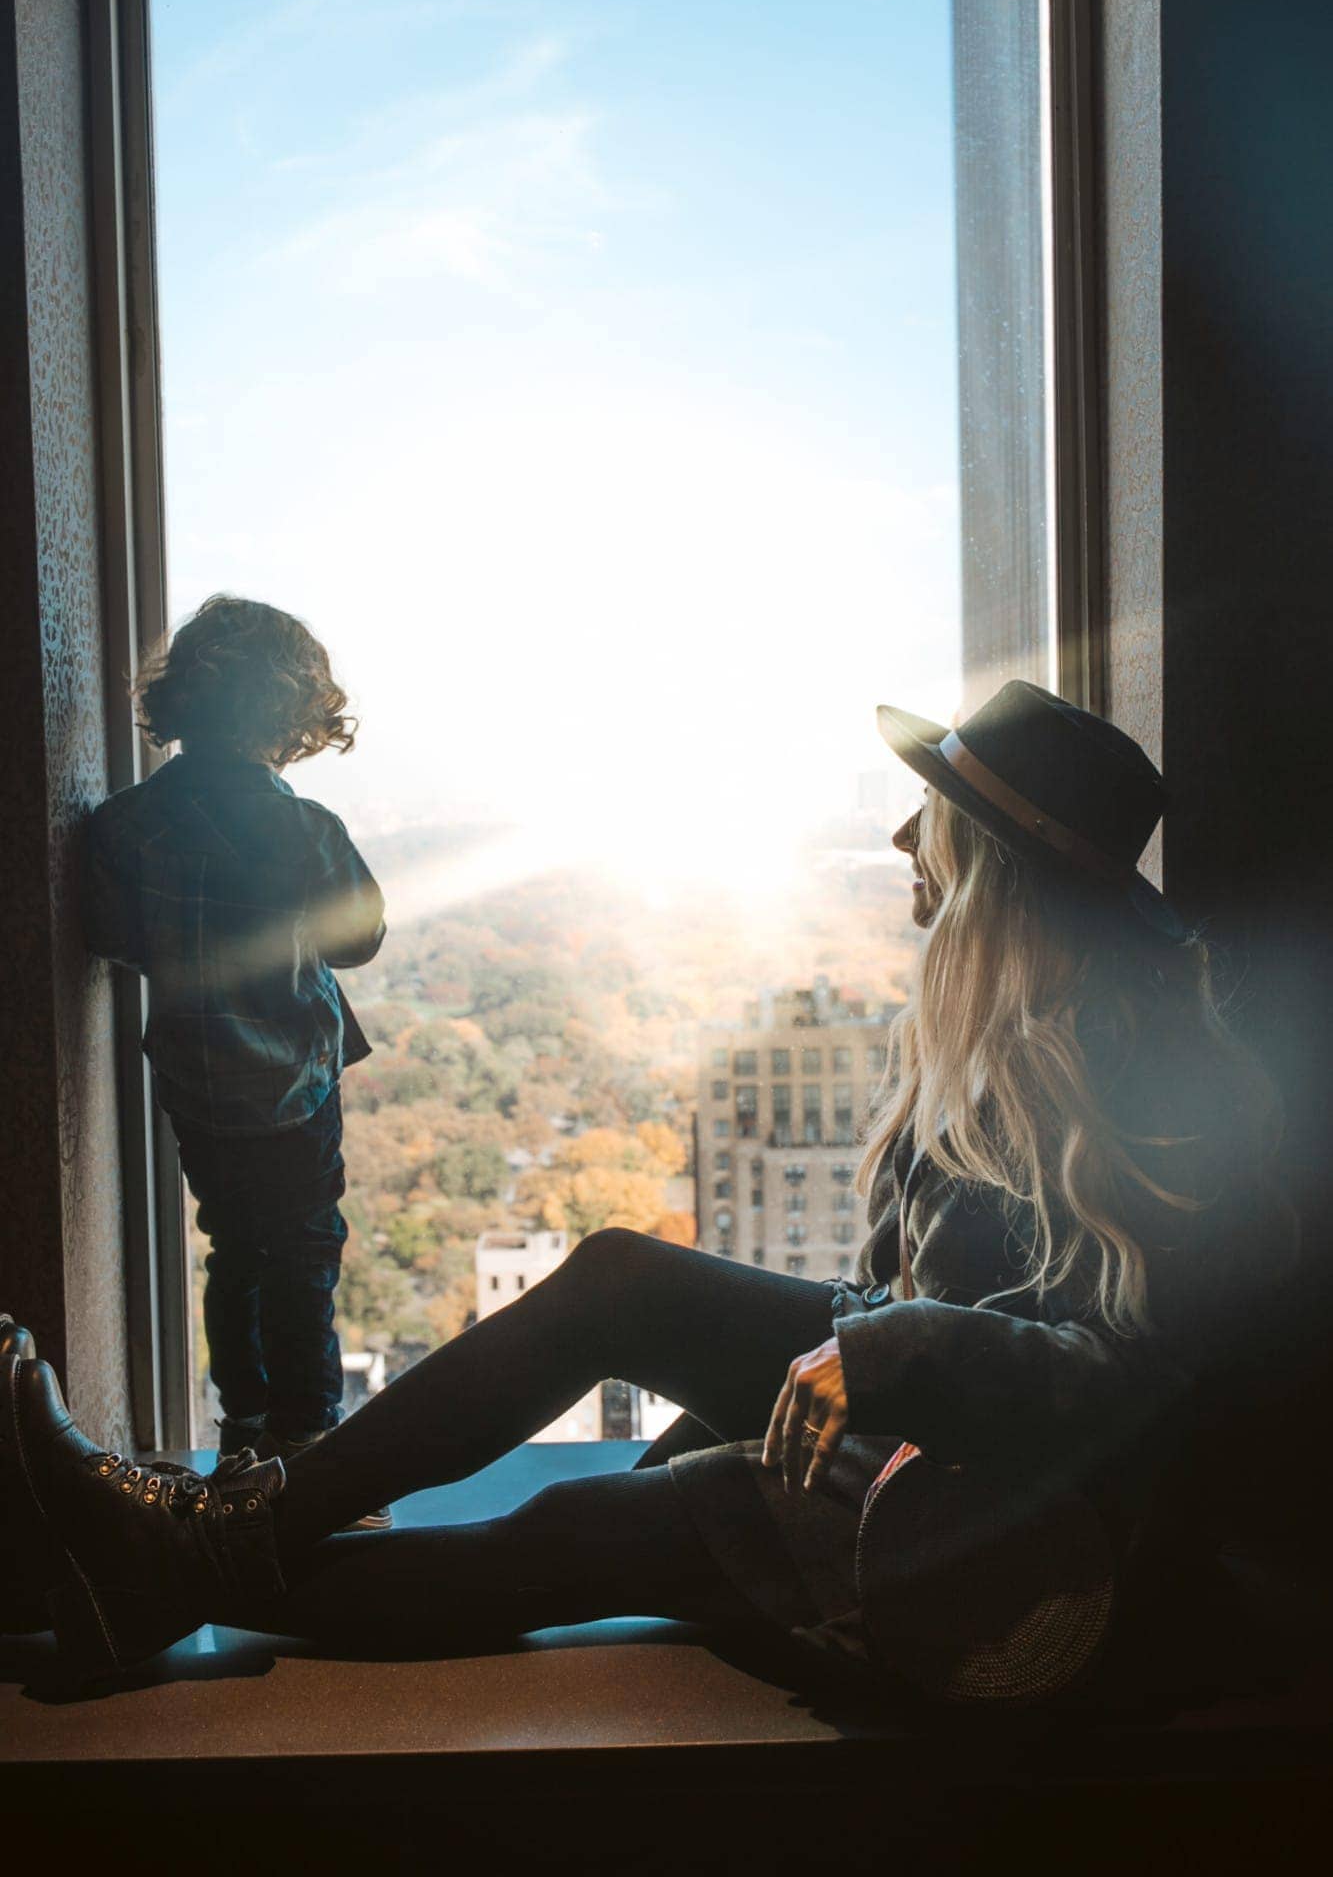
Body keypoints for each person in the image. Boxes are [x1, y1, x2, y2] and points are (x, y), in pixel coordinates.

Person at [4, 681, 1288, 1700]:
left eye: (933, 809)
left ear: (997, 860)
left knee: (566, 1534)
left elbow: (1137, 1383)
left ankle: (168, 1568)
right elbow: (896, 1305)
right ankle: (182, 1554)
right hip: (944, 1433)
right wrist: (763, 1382)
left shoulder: (1154, 1082)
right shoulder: (1009, 1028)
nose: (903, 833)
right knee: (622, 1274)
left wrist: (882, 1353)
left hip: (1017, 1545)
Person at [81, 595, 391, 1527]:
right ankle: (309, 1453)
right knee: (305, 1255)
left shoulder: (124, 824)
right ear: (291, 715)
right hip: (294, 1084)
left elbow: (109, 934)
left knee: (236, 1252)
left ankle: (245, 1440)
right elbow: (360, 941)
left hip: (195, 1081)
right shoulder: (305, 830)